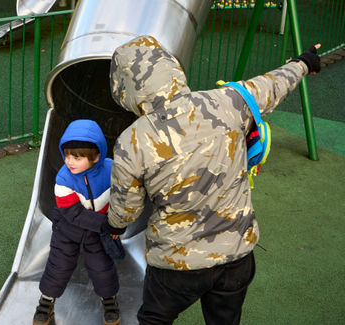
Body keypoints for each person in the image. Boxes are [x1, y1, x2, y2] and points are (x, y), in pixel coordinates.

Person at [101, 35, 321, 324]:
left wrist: (113, 226)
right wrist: (303, 62)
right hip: (235, 256)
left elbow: (127, 207)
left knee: (154, 318)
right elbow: (273, 84)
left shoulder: (133, 139)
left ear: (125, 88)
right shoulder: (229, 101)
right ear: (173, 68)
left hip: (176, 264)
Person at [33, 119, 121, 325]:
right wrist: (106, 224)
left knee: (102, 267)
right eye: (67, 156)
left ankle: (109, 300)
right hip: (68, 230)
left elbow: (123, 196)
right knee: (58, 266)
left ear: (96, 156)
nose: (70, 162)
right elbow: (73, 214)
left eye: (77, 157)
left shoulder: (112, 170)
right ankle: (46, 301)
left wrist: (117, 223)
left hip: (98, 232)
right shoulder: (64, 179)